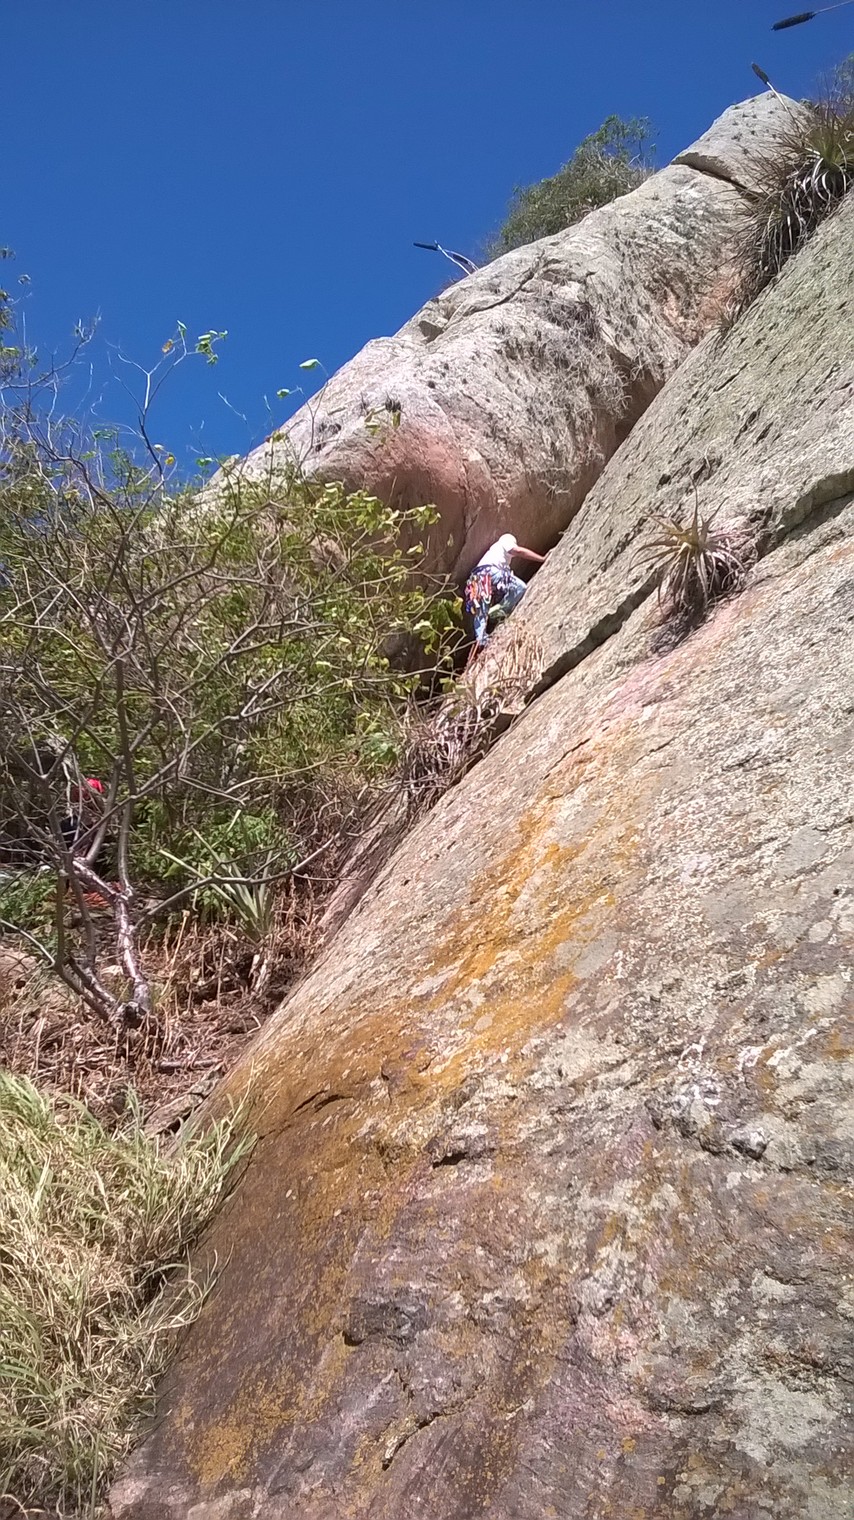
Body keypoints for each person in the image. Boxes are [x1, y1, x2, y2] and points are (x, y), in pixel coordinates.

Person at [463, 532, 546, 653]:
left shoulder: (494, 554)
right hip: (490, 572)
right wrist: (542, 559)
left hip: (476, 579)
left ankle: (481, 639)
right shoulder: (504, 542)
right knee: (519, 587)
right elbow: (518, 551)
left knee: (481, 607)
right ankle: (499, 612)